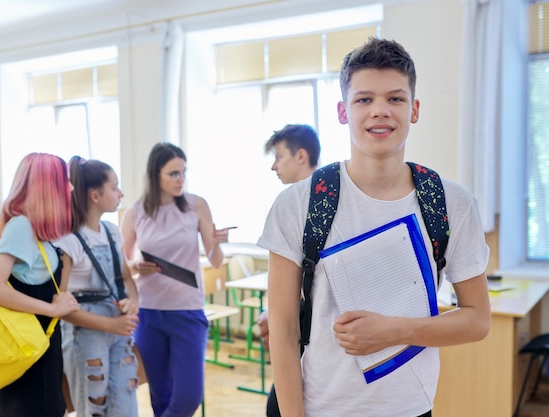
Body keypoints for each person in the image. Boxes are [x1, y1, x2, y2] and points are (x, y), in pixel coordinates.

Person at [257, 37, 491, 417]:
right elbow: (282, 330)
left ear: (414, 109)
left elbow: (478, 320)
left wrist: (394, 331)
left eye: (395, 99)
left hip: (410, 407)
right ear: (342, 111)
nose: (380, 111)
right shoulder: (300, 203)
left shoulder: (451, 203)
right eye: (364, 99)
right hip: (320, 406)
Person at [120, 142, 232, 417]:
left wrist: (217, 243)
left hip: (188, 312)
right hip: (149, 313)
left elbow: (215, 260)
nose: (180, 179)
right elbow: (121, 268)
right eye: (173, 173)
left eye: (183, 172)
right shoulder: (135, 213)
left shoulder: (197, 205)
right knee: (161, 398)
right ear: (155, 175)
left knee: (188, 399)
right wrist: (137, 266)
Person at [0, 152, 80, 417]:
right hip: (29, 360)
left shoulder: (36, 232)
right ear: (48, 187)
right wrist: (51, 310)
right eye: (65, 181)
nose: (70, 188)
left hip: (41, 355)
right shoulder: (21, 226)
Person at [55, 156, 140, 417]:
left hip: (118, 327)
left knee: (125, 403)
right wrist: (110, 325)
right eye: (115, 187)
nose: (121, 193)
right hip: (86, 333)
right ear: (95, 195)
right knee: (92, 407)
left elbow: (125, 278)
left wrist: (132, 302)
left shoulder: (112, 231)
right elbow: (60, 305)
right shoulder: (67, 240)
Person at [258, 123, 321, 350]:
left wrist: (279, 317)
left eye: (279, 157)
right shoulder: (293, 204)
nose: (274, 167)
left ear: (301, 156)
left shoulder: (319, 204)